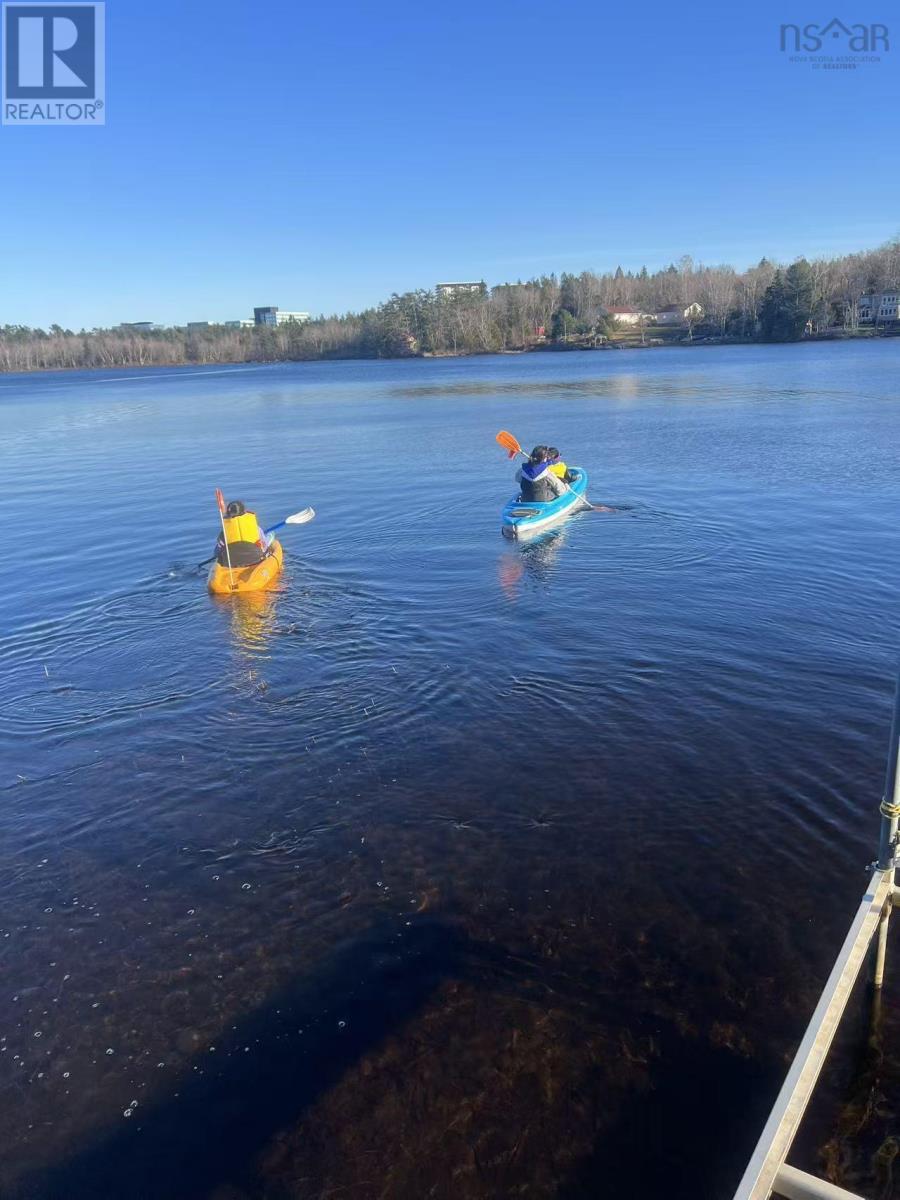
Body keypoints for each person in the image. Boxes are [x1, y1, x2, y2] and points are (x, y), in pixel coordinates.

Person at [215, 499, 273, 566]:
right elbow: (264, 546)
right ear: (244, 513)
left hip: (232, 564)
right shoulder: (255, 528)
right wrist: (270, 538)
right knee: (269, 539)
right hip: (255, 560)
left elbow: (217, 552)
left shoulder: (224, 533)